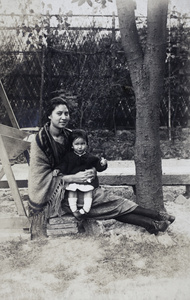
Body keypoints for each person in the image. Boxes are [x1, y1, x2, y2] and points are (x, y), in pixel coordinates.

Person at [28, 96, 175, 238]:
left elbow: (81, 159)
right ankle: (156, 218)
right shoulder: (40, 141)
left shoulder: (69, 136)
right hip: (56, 196)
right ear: (49, 115)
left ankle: (152, 223)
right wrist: (73, 177)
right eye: (59, 113)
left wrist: (91, 170)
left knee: (105, 202)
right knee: (105, 201)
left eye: (66, 113)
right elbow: (39, 177)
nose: (64, 117)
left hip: (78, 186)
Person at [57, 129, 107, 221]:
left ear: (86, 144)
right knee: (72, 191)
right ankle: (74, 210)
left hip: (86, 182)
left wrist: (103, 164)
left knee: (88, 192)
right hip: (74, 180)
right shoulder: (68, 157)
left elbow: (98, 167)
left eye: (82, 144)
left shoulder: (91, 157)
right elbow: (62, 167)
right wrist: (59, 170)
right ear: (72, 145)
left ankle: (85, 210)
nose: (80, 147)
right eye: (77, 144)